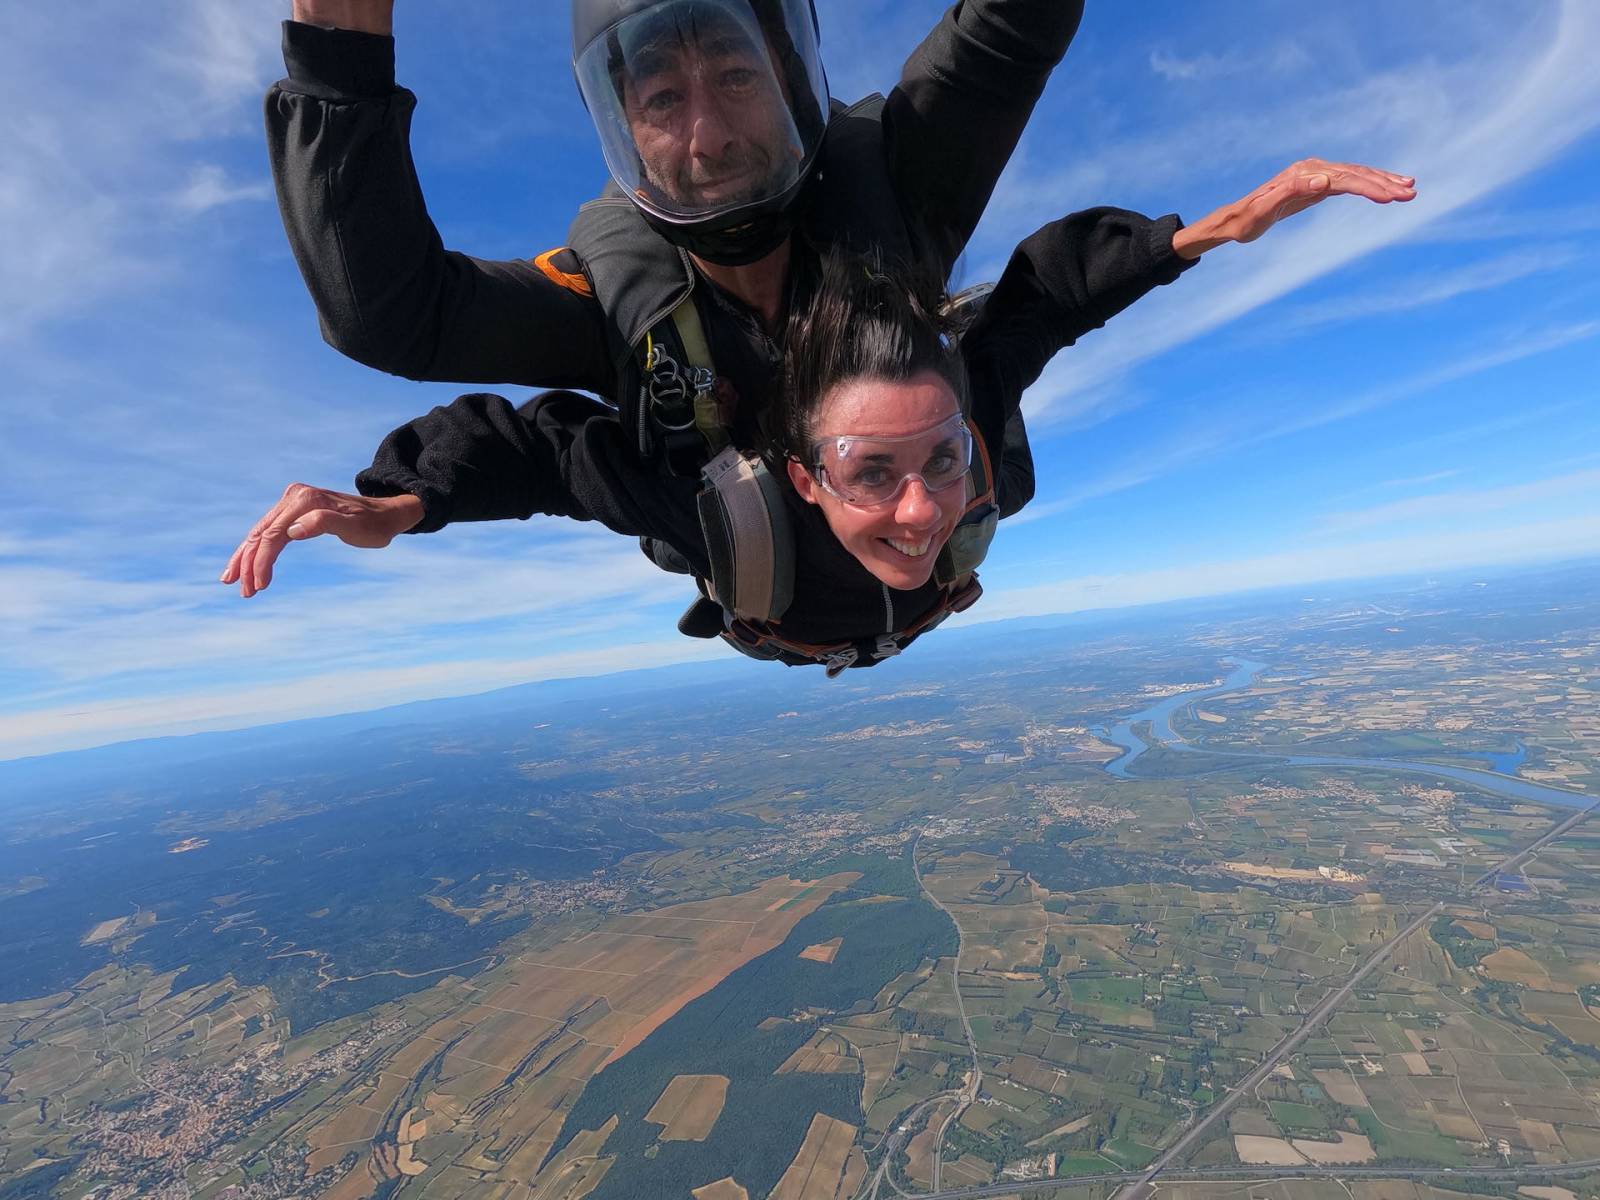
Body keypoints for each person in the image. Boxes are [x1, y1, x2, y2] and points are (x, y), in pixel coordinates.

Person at [225, 160, 1416, 671]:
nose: (917, 506)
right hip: (773, 606)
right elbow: (549, 452)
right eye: (871, 471)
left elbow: (1044, 297)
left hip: (851, 614)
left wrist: (1217, 226)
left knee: (980, 369)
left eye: (939, 459)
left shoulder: (967, 425)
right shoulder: (716, 517)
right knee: (667, 424)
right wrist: (404, 500)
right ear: (801, 476)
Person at [265, 0, 1083, 575]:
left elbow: (1006, 38)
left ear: (791, 85)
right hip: (764, 586)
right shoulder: (616, 303)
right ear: (624, 134)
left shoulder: (898, 188)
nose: (710, 137)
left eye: (735, 75)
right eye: (662, 97)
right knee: (660, 482)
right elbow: (391, 316)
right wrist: (338, 42)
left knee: (985, 421)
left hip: (948, 511)